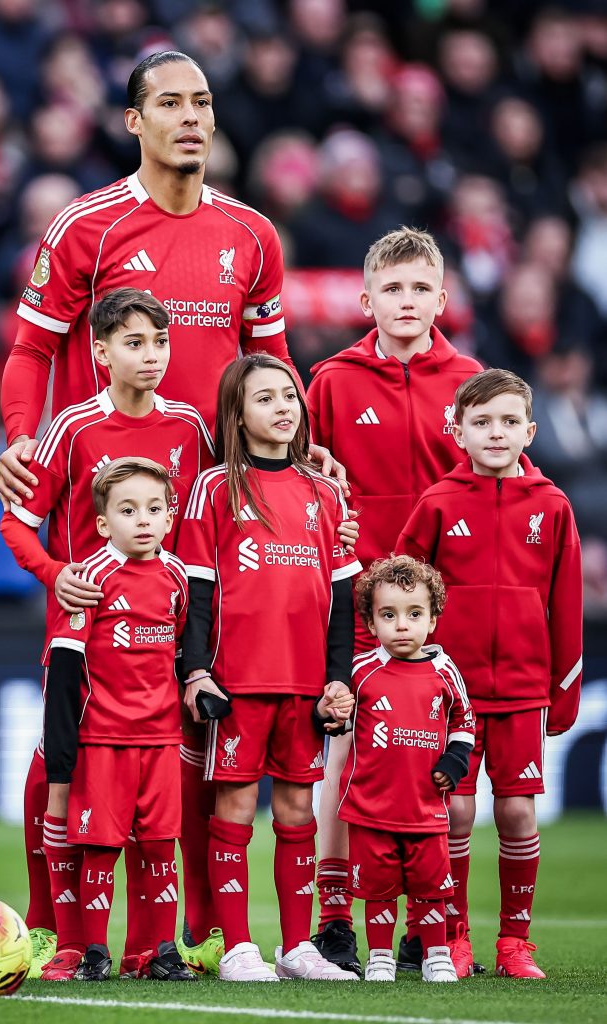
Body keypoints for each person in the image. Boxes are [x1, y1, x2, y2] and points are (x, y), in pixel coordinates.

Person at [0, 49, 348, 976]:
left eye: (202, 102)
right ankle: (49, 920)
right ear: (132, 121)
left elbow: (271, 363)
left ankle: (187, 929)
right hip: (101, 513)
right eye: (170, 103)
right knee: (74, 723)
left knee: (195, 730)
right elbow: (28, 349)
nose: (191, 117)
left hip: (216, 512)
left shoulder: (253, 236)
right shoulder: (89, 225)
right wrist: (27, 441)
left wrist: (299, 441)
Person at [0, 288, 214, 980]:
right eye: (132, 343)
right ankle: (53, 931)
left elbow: (214, 514)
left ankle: (156, 944)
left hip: (163, 641)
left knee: (162, 807)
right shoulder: (73, 428)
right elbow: (16, 522)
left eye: (159, 343)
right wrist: (55, 573)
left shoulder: (189, 428)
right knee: (53, 779)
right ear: (99, 352)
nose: (149, 357)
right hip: (84, 640)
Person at [305, 227, 481, 974]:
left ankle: (438, 928)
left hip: (445, 610)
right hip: (357, 603)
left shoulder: (470, 378)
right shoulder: (332, 381)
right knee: (343, 764)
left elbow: (495, 481)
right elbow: (304, 482)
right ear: (365, 298)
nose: (405, 302)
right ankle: (337, 921)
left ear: (441, 300)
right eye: (391, 289)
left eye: (419, 289)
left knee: (445, 772)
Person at [177, 353, 360, 983]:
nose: (284, 407)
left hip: (307, 683)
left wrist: (340, 678)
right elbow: (198, 591)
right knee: (231, 806)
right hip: (237, 682)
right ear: (237, 412)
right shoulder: (214, 487)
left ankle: (295, 945)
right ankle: (236, 946)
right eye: (265, 398)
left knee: (296, 810)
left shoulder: (326, 490)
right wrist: (197, 672)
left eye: (290, 396)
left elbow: (340, 597)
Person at [397, 368, 583, 979]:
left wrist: (564, 690)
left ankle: (514, 942)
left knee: (517, 814)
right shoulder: (439, 502)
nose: (495, 433)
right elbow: (402, 588)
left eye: (508, 422)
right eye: (481, 422)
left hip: (525, 691)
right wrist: (403, 673)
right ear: (457, 431)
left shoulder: (552, 505)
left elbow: (567, 604)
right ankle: (453, 937)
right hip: (450, 696)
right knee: (451, 815)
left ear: (530, 430)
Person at [16, 456, 195, 982]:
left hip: (161, 738)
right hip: (103, 740)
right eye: (128, 509)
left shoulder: (176, 577)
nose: (143, 519)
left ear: (169, 518)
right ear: (102, 523)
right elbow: (65, 676)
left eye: (154, 509)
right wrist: (61, 760)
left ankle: (157, 951)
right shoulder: (89, 579)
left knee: (162, 844)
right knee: (100, 846)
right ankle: (91, 949)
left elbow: (180, 652)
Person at [338, 555, 475, 984]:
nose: (402, 625)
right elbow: (336, 719)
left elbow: (465, 722)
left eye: (414, 614)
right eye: (388, 615)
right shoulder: (360, 672)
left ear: (432, 620)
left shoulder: (444, 671)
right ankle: (379, 955)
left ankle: (436, 952)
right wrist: (329, 711)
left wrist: (454, 762)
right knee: (377, 889)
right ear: (371, 623)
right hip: (371, 807)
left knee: (432, 886)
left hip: (425, 809)